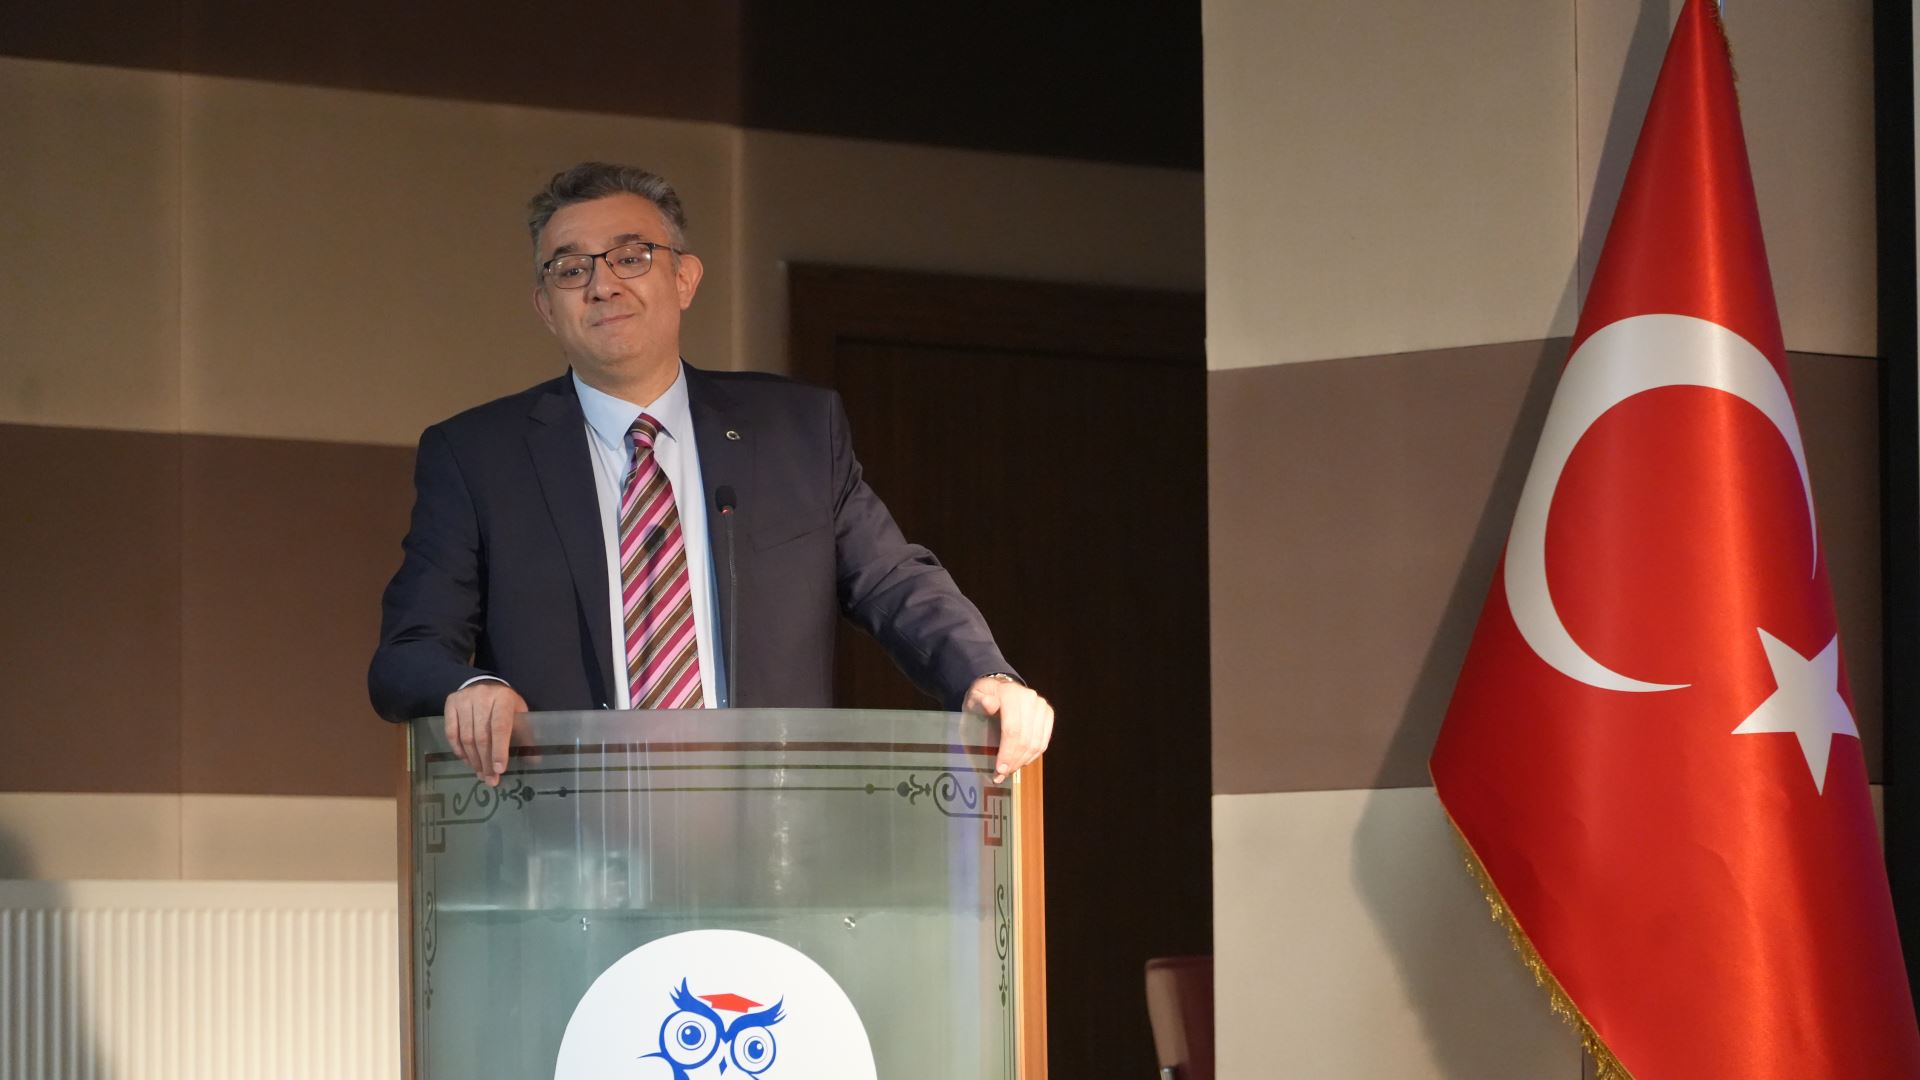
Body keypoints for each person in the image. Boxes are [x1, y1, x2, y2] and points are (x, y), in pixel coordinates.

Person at [368, 162, 1053, 787]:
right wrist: (471, 687)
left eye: (631, 257)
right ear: (547, 307)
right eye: (570, 270)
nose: (603, 285)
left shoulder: (795, 432)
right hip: (567, 825)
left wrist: (985, 674)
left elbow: (893, 581)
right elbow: (408, 651)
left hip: (768, 822)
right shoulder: (478, 456)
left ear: (684, 279)